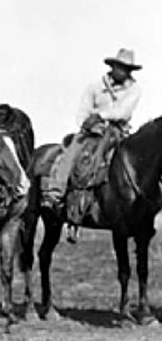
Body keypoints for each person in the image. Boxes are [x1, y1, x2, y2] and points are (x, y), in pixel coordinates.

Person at [43, 48, 143, 223]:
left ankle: (134, 200)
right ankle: (55, 193)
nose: (122, 71)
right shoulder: (95, 87)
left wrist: (101, 116)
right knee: (72, 151)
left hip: (117, 131)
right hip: (92, 130)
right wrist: (88, 123)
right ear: (112, 66)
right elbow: (82, 112)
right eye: (119, 67)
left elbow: (123, 112)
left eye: (126, 69)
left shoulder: (134, 89)